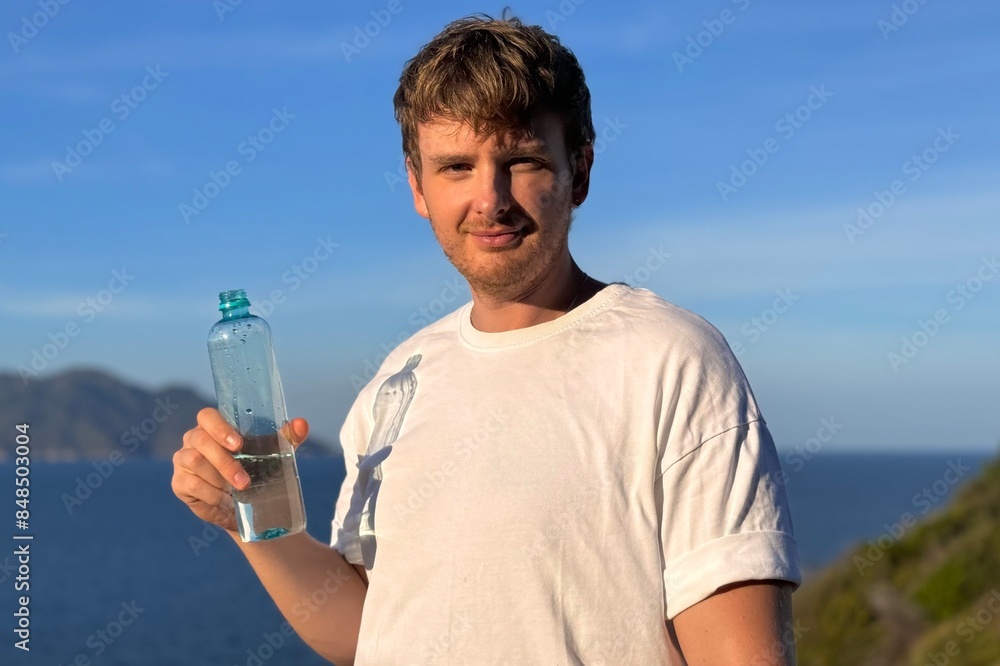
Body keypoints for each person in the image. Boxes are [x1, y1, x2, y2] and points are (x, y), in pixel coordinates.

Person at [172, 13, 801, 664]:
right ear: (418, 187)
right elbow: (369, 630)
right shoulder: (397, 381)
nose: (490, 199)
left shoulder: (671, 360)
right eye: (456, 167)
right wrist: (247, 519)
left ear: (580, 170)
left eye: (521, 160)